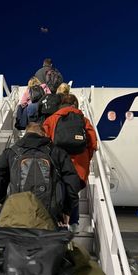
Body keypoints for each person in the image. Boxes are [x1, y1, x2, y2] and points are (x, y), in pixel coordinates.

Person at [0, 122, 80, 224]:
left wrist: (4, 200)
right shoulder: (57, 152)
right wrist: (67, 209)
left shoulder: (11, 152)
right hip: (50, 214)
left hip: (18, 212)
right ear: (43, 133)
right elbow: (73, 181)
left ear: (26, 133)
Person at [43, 94, 97, 233]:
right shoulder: (84, 120)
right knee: (73, 192)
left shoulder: (52, 119)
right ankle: (73, 224)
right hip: (79, 163)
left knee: (58, 192)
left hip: (58, 162)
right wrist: (86, 158)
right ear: (75, 105)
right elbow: (93, 144)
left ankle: (57, 224)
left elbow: (44, 142)